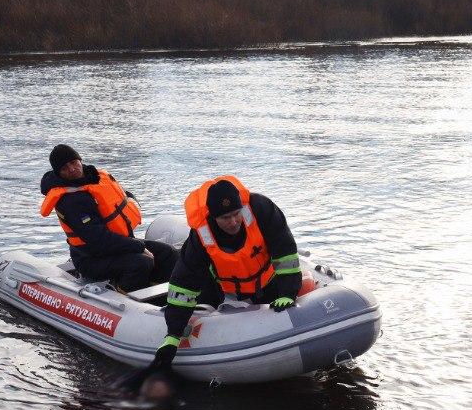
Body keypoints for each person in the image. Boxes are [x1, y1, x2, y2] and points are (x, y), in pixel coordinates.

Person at [148, 176, 303, 370]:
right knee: (204, 296)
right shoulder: (200, 237)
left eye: (236, 214)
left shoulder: (261, 210)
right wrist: (173, 334)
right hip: (228, 293)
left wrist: (288, 292)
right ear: (213, 217)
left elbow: (285, 250)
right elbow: (184, 283)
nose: (233, 222)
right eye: (225, 218)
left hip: (270, 283)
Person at [39, 144, 177, 292]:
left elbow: (125, 197)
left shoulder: (96, 178)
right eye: (64, 168)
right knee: (141, 263)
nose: (72, 169)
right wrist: (138, 246)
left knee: (167, 253)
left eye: (73, 163)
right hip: (91, 258)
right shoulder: (69, 201)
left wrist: (131, 205)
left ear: (80, 160)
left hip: (117, 245)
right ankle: (125, 294)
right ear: (59, 173)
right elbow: (99, 240)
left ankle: (164, 292)